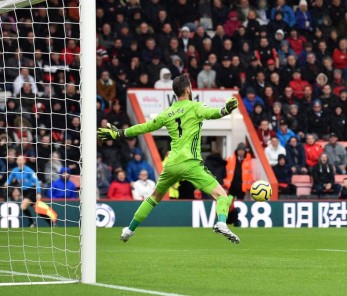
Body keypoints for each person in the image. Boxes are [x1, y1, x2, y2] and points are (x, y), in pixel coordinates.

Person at [98, 75, 241, 243]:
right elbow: (212, 113)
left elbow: (145, 127)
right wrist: (225, 110)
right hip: (191, 163)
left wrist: (120, 133)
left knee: (154, 197)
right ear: (188, 89)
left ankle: (129, 229)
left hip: (172, 164)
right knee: (221, 196)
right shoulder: (195, 107)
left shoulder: (168, 112)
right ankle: (222, 223)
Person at [5, 156, 48, 227]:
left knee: (23, 206)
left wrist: (39, 192)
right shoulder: (15, 170)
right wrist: (7, 183)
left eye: (22, 159)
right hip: (24, 191)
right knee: (37, 209)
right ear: (16, 161)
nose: (20, 161)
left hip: (32, 190)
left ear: (24, 161)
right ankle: (51, 222)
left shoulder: (29, 170)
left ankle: (32, 223)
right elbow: (10, 177)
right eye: (18, 159)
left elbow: (36, 181)